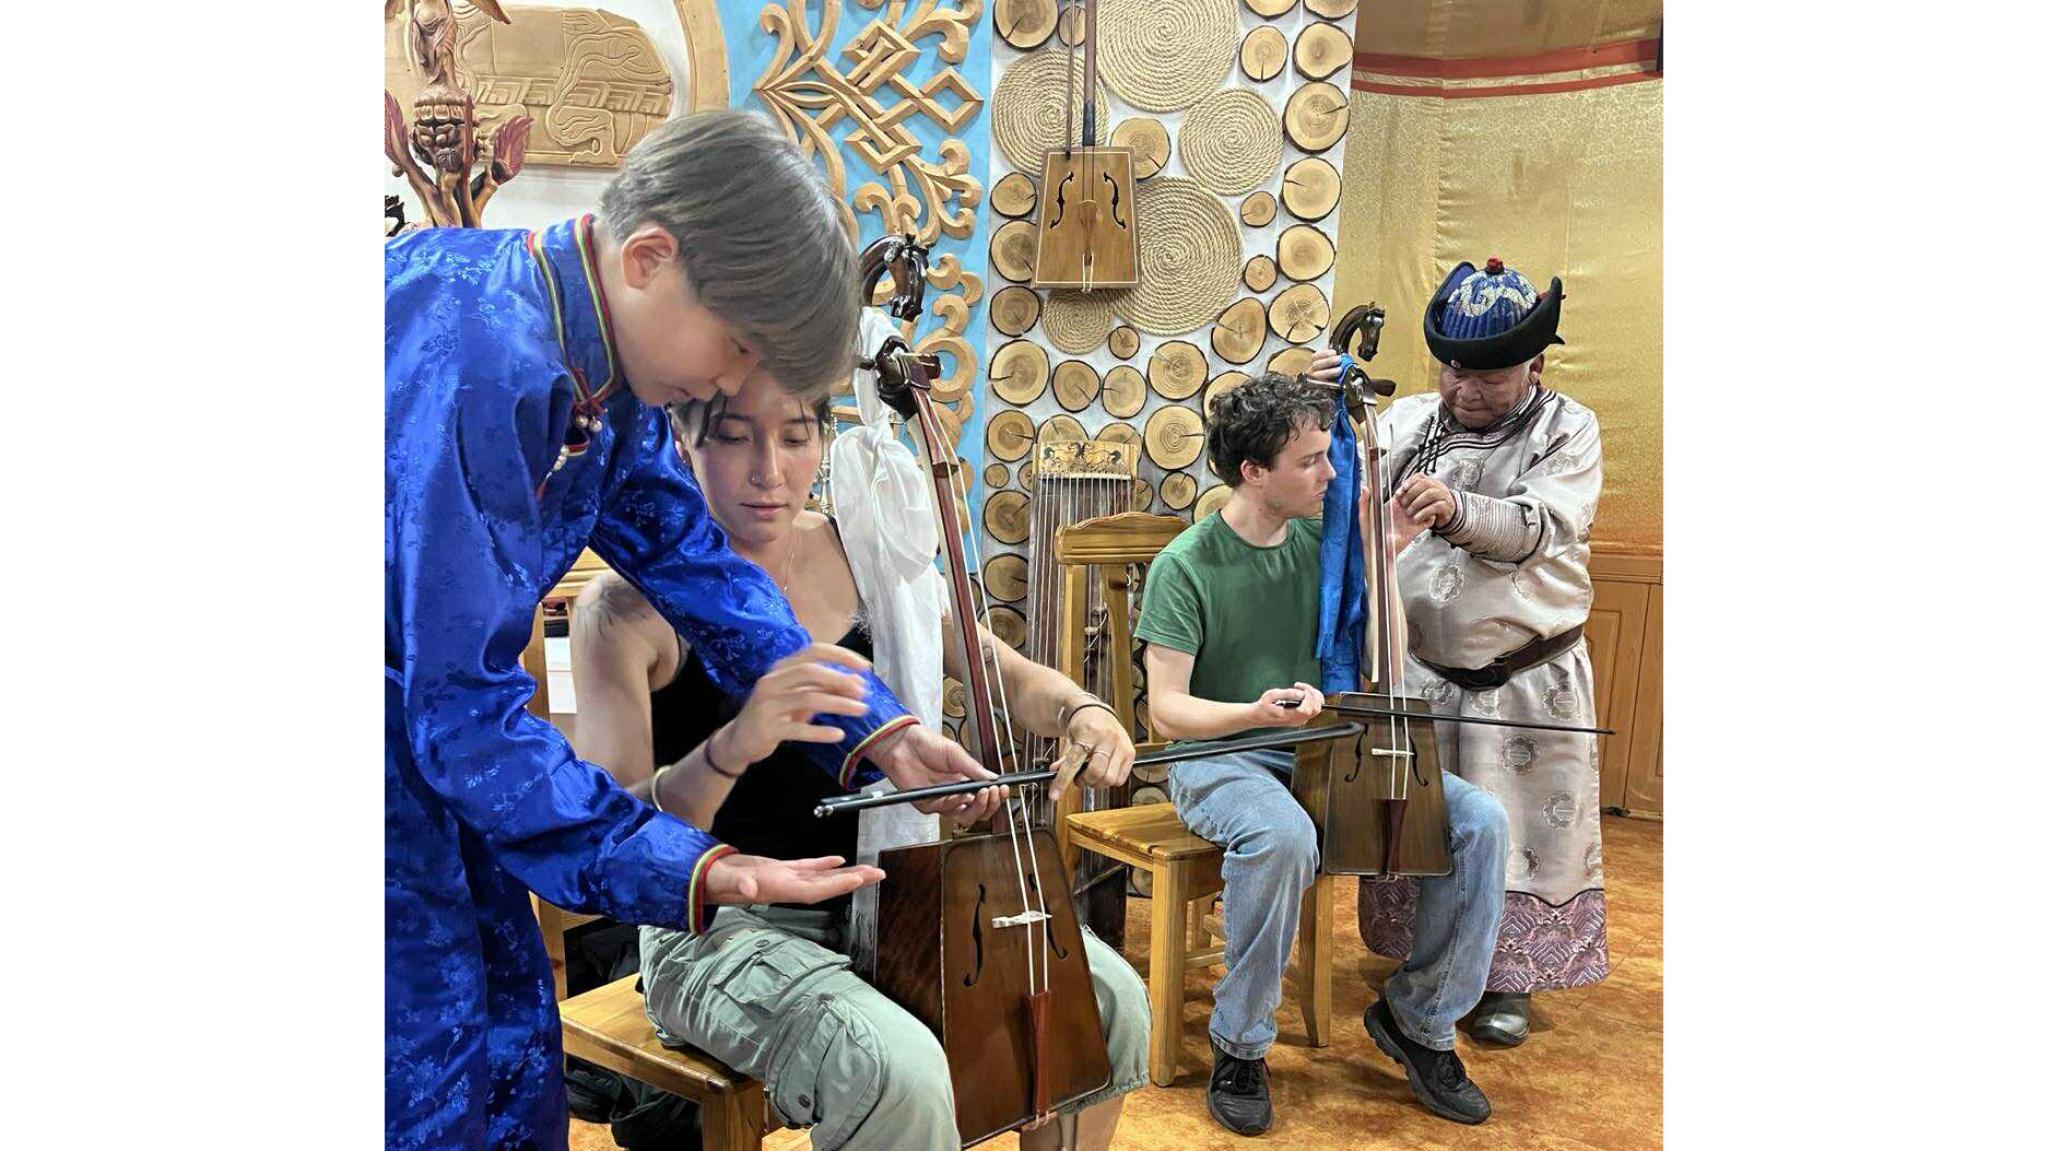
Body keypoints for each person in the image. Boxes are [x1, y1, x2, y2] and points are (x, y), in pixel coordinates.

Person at [384, 109, 1005, 1151]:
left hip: (424, 764)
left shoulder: (601, 370)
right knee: (426, 1087)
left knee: (502, 1062)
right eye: (735, 344)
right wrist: (693, 866)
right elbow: (458, 711)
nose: (727, 381)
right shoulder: (477, 351)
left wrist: (881, 728)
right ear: (648, 258)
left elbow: (706, 575)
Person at [569, 366, 1152, 1151]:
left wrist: (1083, 709)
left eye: (795, 437)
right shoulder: (626, 605)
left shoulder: (867, 554)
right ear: (683, 441)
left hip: (890, 898)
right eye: (735, 438)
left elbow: (1002, 671)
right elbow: (614, 845)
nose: (769, 471)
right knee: (895, 1070)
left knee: (1107, 999)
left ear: (825, 438)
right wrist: (732, 747)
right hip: (716, 925)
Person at [1135, 372, 1509, 1132]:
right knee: (1282, 836)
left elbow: (1376, 636)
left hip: (1321, 746)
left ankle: (1420, 1019)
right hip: (1219, 755)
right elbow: (1166, 708)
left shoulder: (1325, 544)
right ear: (1253, 471)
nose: (1329, 472)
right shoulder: (1187, 564)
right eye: (1310, 459)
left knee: (1481, 823)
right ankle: (1240, 1043)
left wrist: (1387, 550)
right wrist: (1253, 709)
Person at [1356, 257, 1607, 1048]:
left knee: (1523, 839)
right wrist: (1332, 411)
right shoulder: (1405, 425)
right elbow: (1348, 501)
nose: (1465, 390)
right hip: (1421, 673)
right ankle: (1425, 962)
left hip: (1525, 679)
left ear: (1536, 362)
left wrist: (1459, 508)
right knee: (1423, 829)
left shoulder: (1569, 429)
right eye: (1454, 369)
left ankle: (1509, 979)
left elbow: (1538, 528)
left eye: (1490, 376)